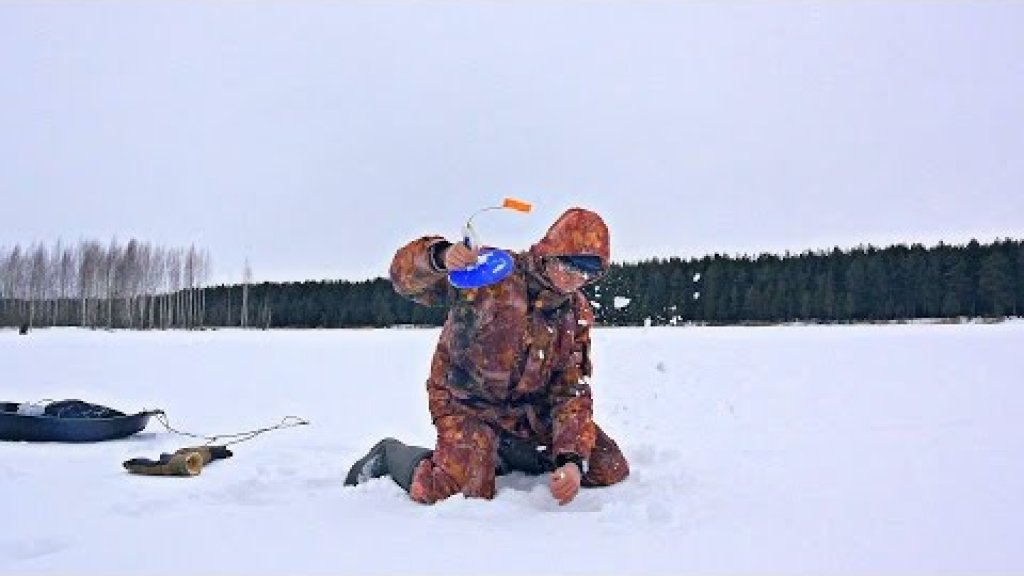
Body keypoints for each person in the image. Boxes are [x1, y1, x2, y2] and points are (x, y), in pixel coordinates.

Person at [345, 207, 629, 505]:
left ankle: (499, 451)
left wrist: (571, 460)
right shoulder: (493, 272)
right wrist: (441, 258)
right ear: (550, 253)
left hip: (527, 414)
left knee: (606, 466)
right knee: (459, 490)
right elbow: (404, 279)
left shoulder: (576, 311)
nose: (576, 279)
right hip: (466, 404)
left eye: (589, 273)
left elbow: (571, 391)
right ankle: (391, 455)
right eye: (570, 267)